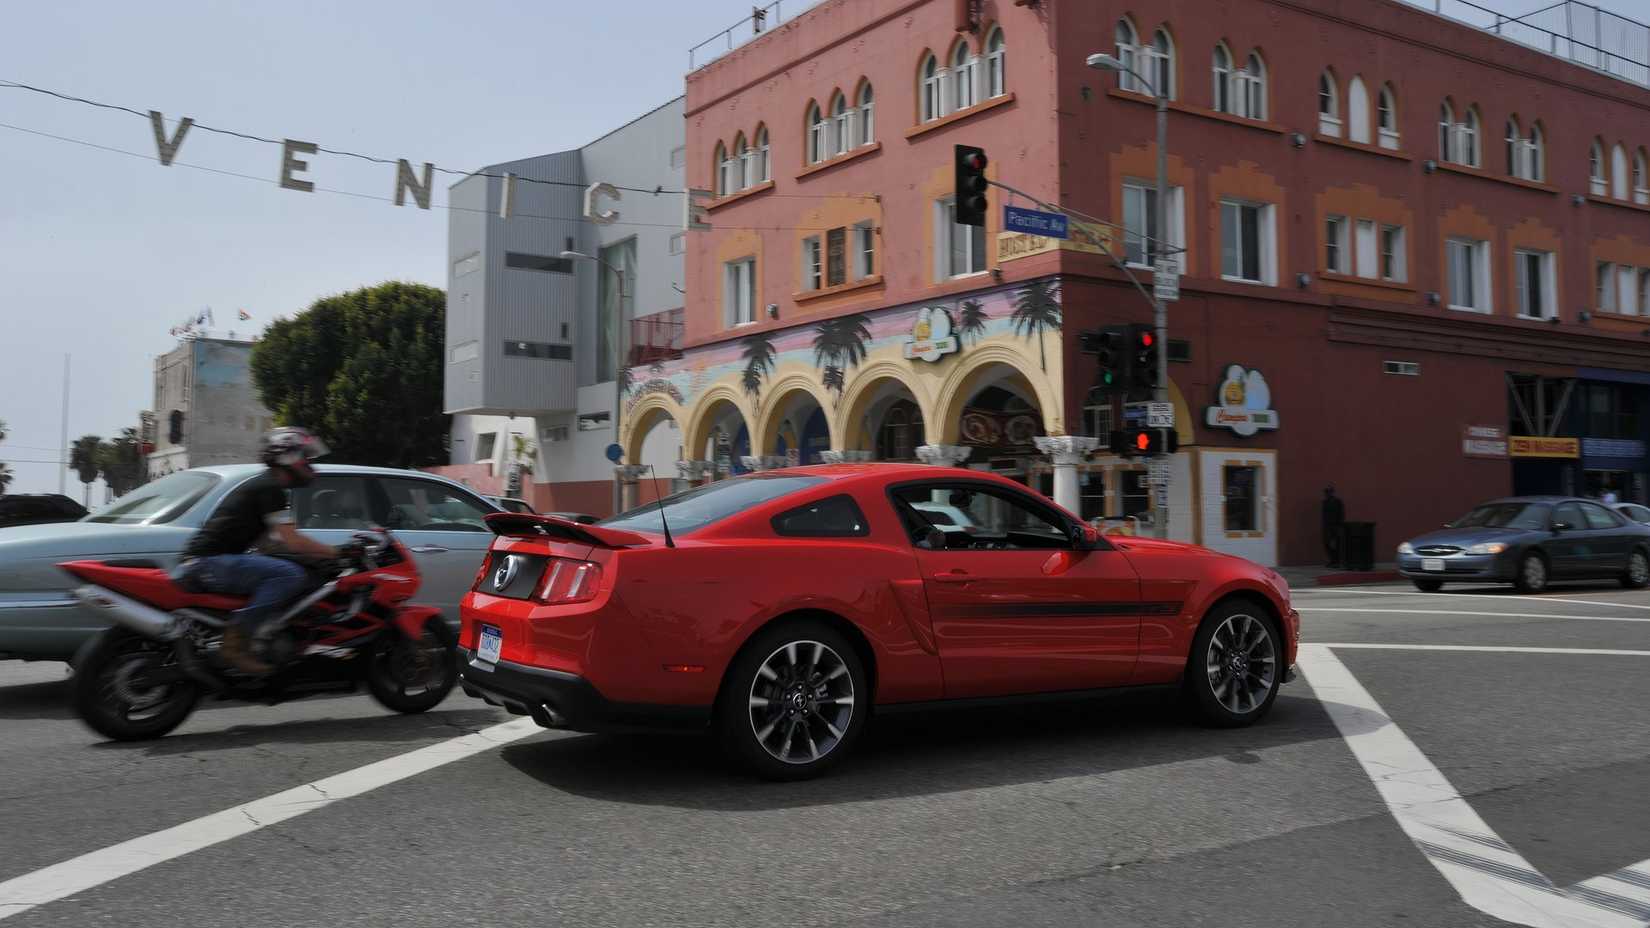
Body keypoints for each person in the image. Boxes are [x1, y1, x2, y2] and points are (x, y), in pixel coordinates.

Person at [173, 428, 340, 673]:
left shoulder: (266, 487)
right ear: (288, 458)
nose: (311, 465)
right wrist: (337, 553)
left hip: (205, 563)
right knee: (288, 575)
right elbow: (293, 540)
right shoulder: (270, 488)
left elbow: (272, 544)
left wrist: (313, 557)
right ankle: (236, 643)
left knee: (288, 569)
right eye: (307, 458)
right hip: (206, 564)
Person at [1322, 485, 1346, 568]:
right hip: (1327, 527)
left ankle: (1337, 561)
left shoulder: (1338, 502)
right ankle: (1332, 560)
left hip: (1336, 526)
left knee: (1337, 544)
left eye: (1329, 491)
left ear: (1332, 492)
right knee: (1327, 543)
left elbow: (1341, 515)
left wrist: (1340, 526)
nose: (1327, 493)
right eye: (1326, 492)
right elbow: (1324, 516)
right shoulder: (1325, 502)